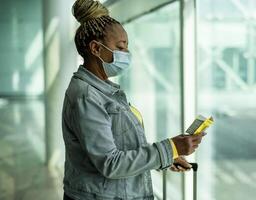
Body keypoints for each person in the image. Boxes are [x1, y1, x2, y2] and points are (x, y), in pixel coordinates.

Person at [62, 0, 205, 199]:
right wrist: (170, 147)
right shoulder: (86, 96)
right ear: (95, 48)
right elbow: (110, 163)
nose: (126, 54)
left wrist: (165, 157)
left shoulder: (103, 91)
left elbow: (121, 146)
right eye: (120, 47)